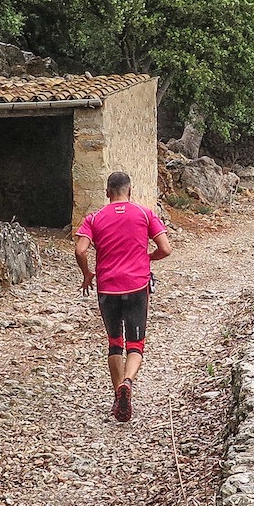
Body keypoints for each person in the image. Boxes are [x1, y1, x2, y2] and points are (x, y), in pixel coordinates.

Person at [74, 171, 171, 422]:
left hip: (107, 288)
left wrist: (87, 274)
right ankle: (127, 382)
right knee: (136, 344)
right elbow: (166, 249)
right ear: (130, 191)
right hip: (137, 285)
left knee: (115, 342)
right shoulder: (144, 214)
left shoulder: (94, 218)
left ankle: (118, 395)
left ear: (108, 193)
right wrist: (148, 258)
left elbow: (80, 250)